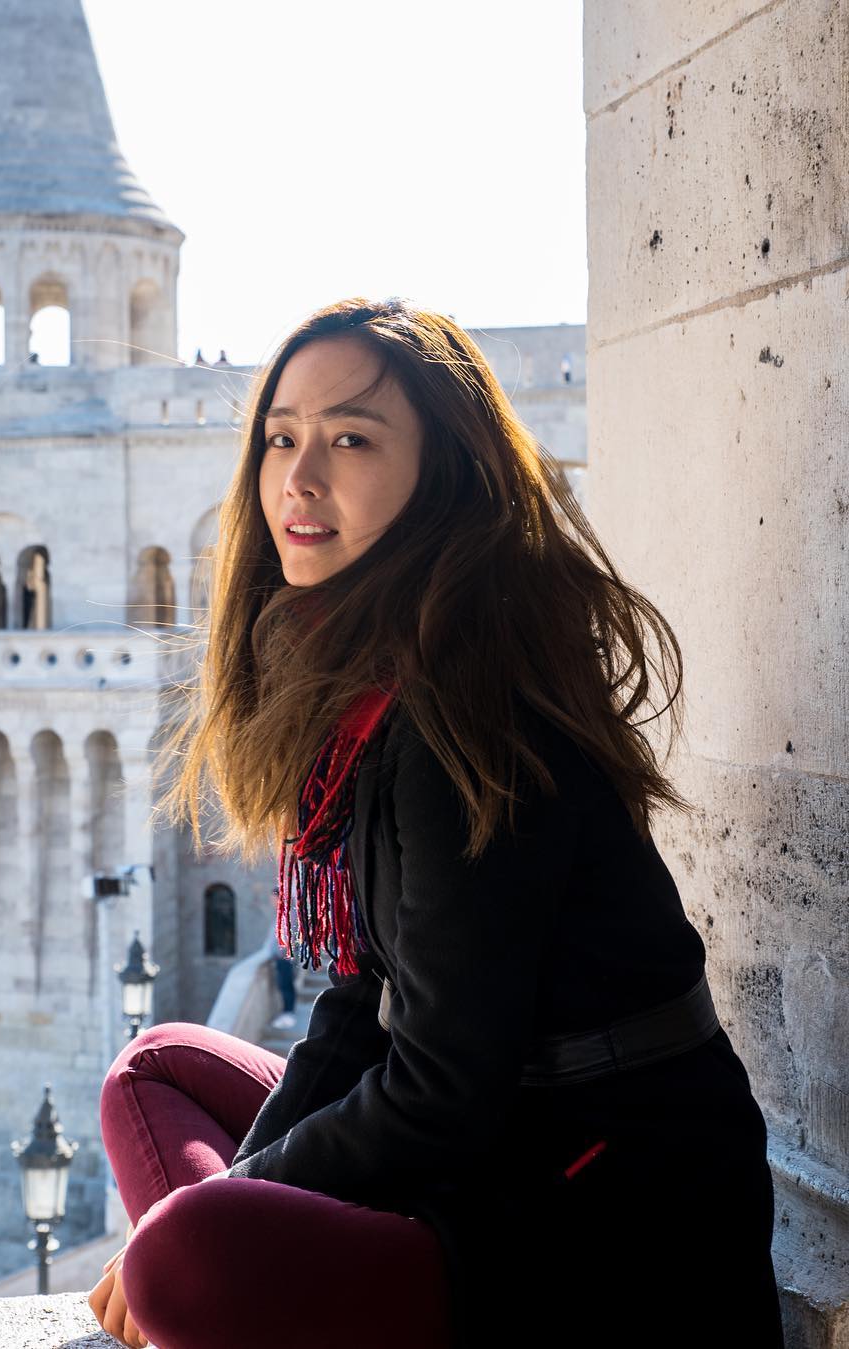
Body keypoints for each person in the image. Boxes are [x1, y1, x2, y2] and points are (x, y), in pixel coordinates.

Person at [89, 297, 785, 1349]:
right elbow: (359, 1001)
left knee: (184, 1255)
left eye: (351, 440)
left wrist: (216, 1211)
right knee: (155, 1071)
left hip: (592, 1207)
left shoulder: (470, 699)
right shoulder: (368, 674)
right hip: (482, 1146)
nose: (299, 478)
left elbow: (442, 1090)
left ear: (445, 471)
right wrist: (237, 1188)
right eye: (281, 437)